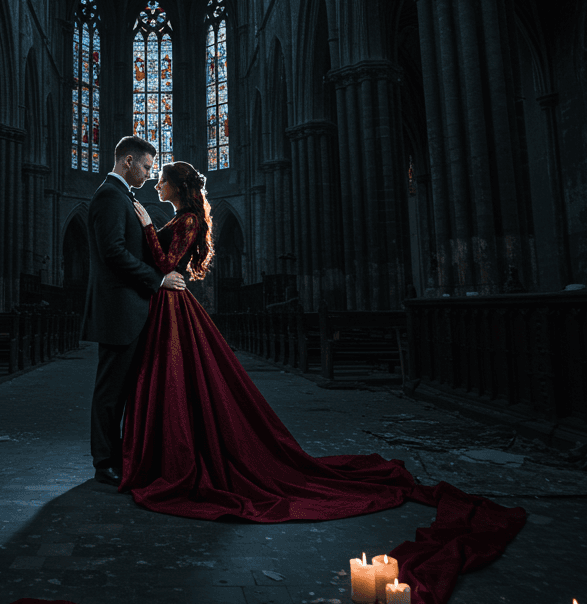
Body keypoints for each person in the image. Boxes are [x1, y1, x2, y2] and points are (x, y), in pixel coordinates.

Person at [124, 161, 421, 522]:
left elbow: (166, 262)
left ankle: (178, 454)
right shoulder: (182, 219)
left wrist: (146, 227)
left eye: (161, 181)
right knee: (171, 378)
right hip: (167, 302)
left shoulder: (187, 221)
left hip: (172, 301)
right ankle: (165, 452)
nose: (157, 187)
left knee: (175, 378)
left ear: (176, 186)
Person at [81, 135, 186, 485]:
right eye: (145, 167)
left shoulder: (123, 196)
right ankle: (104, 463)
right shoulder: (110, 196)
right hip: (118, 312)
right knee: (111, 391)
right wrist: (158, 280)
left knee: (126, 390)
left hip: (131, 310)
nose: (148, 175)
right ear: (127, 161)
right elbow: (113, 253)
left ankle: (122, 454)